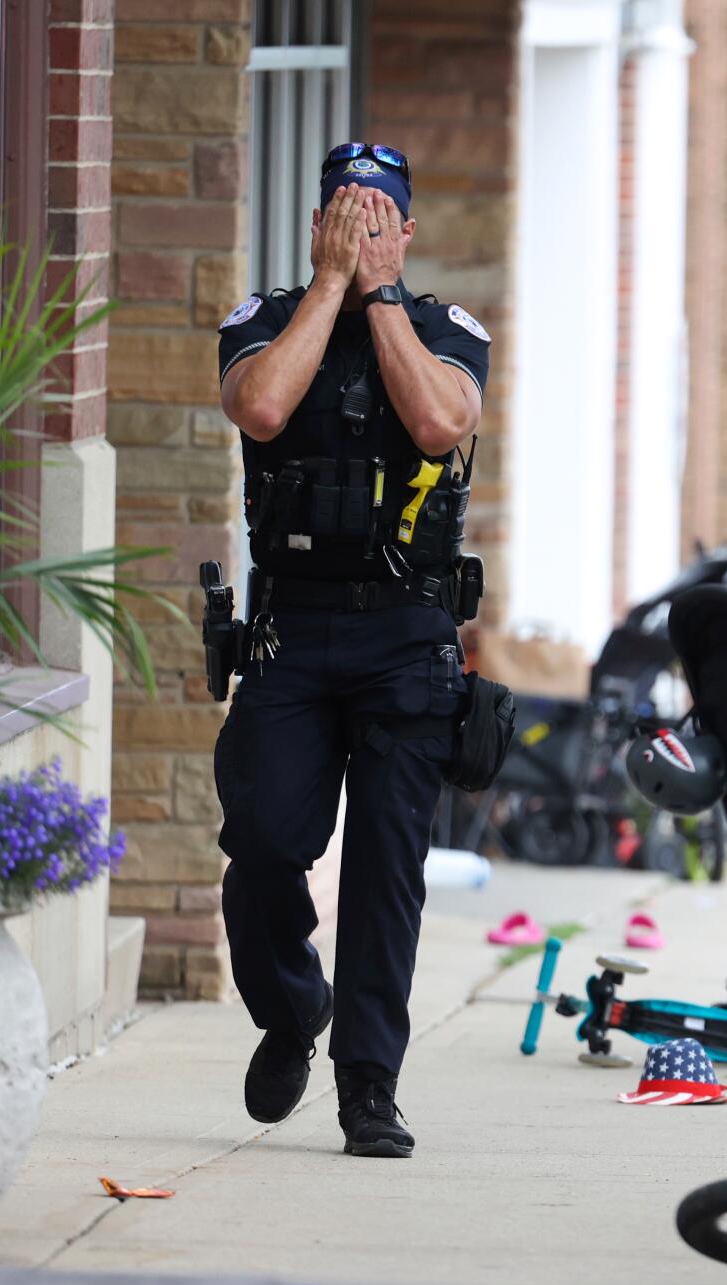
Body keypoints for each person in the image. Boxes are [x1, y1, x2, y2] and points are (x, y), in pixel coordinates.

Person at [212, 143, 490, 1158]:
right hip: (292, 629)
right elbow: (262, 408)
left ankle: (368, 1087)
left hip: (404, 636)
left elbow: (433, 420)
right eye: (344, 214)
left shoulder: (443, 332)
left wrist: (375, 295)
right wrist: (330, 286)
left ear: (406, 232)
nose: (362, 228)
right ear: (319, 223)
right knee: (262, 845)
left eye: (379, 218)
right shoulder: (261, 321)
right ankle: (292, 1012)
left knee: (386, 872)